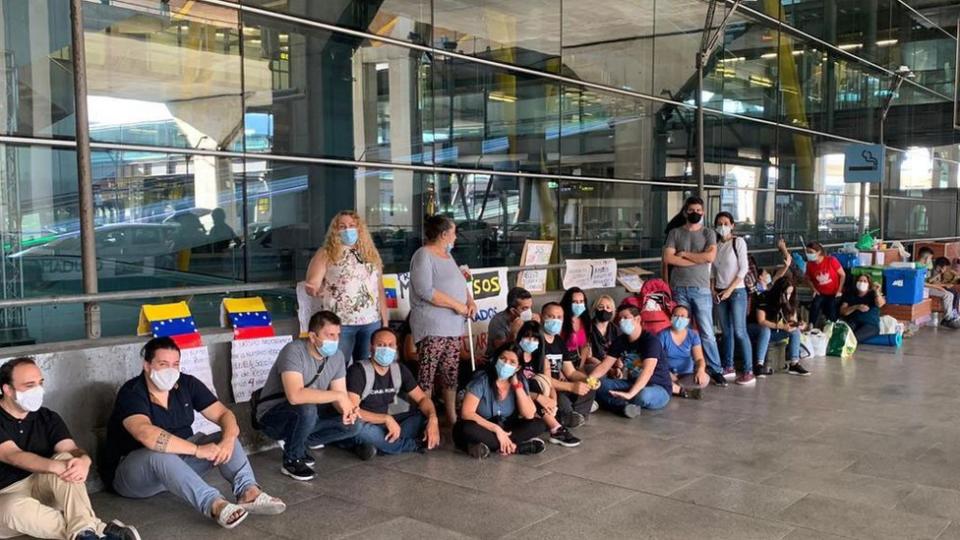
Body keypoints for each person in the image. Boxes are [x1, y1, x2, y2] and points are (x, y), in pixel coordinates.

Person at [103, 338, 285, 530]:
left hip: (179, 466)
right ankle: (215, 504)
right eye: (163, 364)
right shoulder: (132, 392)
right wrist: (197, 450)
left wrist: (228, 439)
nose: (170, 370)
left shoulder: (187, 384)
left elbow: (224, 414)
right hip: (133, 475)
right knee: (157, 455)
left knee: (223, 437)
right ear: (147, 365)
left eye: (175, 364)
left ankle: (248, 492)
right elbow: (146, 434)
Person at [0, 358, 140, 540]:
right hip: (6, 496)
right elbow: (12, 455)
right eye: (29, 385)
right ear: (7, 389)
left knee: (67, 460)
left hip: (44, 490)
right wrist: (54, 467)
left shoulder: (47, 417)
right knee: (11, 509)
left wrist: (83, 460)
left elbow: (72, 450)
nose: (38, 390)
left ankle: (84, 534)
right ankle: (98, 530)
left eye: (40, 383)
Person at [255, 310, 362, 481]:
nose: (335, 340)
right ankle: (292, 459)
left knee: (354, 425)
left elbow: (339, 394)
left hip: (308, 414)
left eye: (337, 335)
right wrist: (339, 396)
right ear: (313, 336)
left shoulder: (337, 356)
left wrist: (347, 410)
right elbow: (295, 396)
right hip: (273, 416)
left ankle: (298, 442)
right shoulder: (293, 351)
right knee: (307, 407)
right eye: (329, 335)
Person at [409, 215, 476, 426]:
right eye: (454, 232)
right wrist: (457, 306)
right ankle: (426, 419)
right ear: (444, 234)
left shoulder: (448, 256)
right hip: (433, 326)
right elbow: (426, 290)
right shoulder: (423, 255)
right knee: (427, 374)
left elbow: (460, 283)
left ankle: (452, 417)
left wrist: (470, 301)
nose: (456, 236)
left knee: (450, 374)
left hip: (454, 327)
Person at [304, 211, 388, 364]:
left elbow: (379, 288)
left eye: (351, 225)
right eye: (342, 226)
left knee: (365, 367)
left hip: (371, 321)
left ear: (359, 228)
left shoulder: (370, 253)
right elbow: (312, 283)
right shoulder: (326, 253)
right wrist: (315, 288)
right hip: (340, 323)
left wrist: (385, 321)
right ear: (335, 231)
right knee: (337, 365)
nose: (348, 230)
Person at [343, 328, 441, 457]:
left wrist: (433, 419)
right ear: (371, 347)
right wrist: (386, 418)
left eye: (390, 345)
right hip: (366, 422)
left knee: (423, 416)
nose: (386, 349)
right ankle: (412, 445)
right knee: (360, 430)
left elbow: (422, 399)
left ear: (396, 348)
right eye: (381, 345)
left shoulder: (399, 369)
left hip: (386, 424)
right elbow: (353, 411)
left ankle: (374, 446)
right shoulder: (358, 371)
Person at [662, 196, 725, 387]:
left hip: (701, 288)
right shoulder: (675, 232)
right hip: (679, 287)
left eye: (699, 210)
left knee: (706, 331)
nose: (695, 213)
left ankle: (716, 369)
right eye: (692, 210)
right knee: (681, 329)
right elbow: (668, 258)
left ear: (703, 213)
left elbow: (710, 256)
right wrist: (697, 259)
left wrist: (685, 254)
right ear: (685, 212)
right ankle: (685, 367)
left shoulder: (709, 233)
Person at [453, 345, 547, 459]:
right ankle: (515, 447)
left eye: (512, 362)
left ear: (518, 368)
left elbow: (529, 414)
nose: (506, 364)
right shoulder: (482, 379)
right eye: (503, 359)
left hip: (506, 427)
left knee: (539, 425)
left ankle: (496, 446)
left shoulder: (520, 381)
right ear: (495, 360)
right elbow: (466, 413)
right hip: (483, 426)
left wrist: (517, 386)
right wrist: (496, 430)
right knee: (465, 429)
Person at [595, 305, 673, 417]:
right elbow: (605, 365)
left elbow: (648, 371)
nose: (622, 321)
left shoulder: (651, 341)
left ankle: (619, 402)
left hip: (657, 387)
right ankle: (624, 406)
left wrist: (630, 394)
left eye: (625, 317)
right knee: (599, 385)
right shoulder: (620, 341)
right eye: (620, 319)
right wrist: (588, 381)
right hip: (632, 383)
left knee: (643, 395)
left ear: (637, 319)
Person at [514, 322, 581, 447]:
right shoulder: (513, 355)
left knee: (542, 383)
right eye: (527, 337)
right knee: (534, 383)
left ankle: (552, 423)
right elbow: (513, 386)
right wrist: (540, 398)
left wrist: (552, 403)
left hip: (537, 399)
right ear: (520, 337)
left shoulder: (541, 359)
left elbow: (549, 383)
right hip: (519, 396)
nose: (530, 341)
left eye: (535, 338)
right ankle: (556, 428)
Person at [713, 212, 755, 385]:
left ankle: (748, 370)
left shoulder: (738, 242)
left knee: (739, 331)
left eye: (726, 223)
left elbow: (743, 269)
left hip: (737, 291)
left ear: (732, 225)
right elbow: (712, 271)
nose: (722, 226)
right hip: (719, 291)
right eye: (719, 223)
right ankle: (728, 366)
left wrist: (730, 290)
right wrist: (713, 290)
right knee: (726, 331)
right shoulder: (715, 245)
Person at [540, 302, 595, 428]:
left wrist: (587, 380)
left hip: (562, 385)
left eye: (559, 317)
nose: (555, 320)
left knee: (588, 389)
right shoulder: (537, 341)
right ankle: (567, 416)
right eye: (551, 316)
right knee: (561, 400)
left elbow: (570, 372)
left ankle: (575, 415)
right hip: (549, 388)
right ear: (542, 317)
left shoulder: (559, 341)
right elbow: (542, 378)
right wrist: (571, 386)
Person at [749, 276, 811, 376]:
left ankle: (794, 363)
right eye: (786, 293)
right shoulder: (764, 298)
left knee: (795, 332)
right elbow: (761, 321)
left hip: (773, 331)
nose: (788, 296)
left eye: (790, 293)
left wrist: (799, 324)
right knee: (765, 330)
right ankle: (759, 365)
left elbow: (792, 320)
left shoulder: (789, 302)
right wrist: (780, 326)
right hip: (756, 329)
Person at [658, 306, 708, 399]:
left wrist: (701, 370)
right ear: (671, 318)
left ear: (688, 320)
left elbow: (699, 358)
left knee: (705, 379)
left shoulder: (693, 335)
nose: (679, 318)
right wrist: (670, 375)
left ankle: (673, 388)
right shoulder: (662, 335)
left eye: (682, 316)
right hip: (667, 373)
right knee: (654, 375)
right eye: (675, 315)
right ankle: (681, 390)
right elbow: (657, 359)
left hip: (686, 375)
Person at [484, 287, 539, 360]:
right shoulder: (497, 321)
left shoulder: (528, 319)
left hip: (520, 360)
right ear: (513, 311)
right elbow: (500, 350)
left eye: (530, 307)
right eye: (525, 308)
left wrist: (537, 327)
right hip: (499, 361)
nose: (529, 311)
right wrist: (513, 334)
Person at [804, 241, 845, 328]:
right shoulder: (810, 264)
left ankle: (833, 326)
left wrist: (839, 290)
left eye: (811, 252)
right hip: (820, 292)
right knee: (815, 305)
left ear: (818, 252)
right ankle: (811, 325)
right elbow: (807, 279)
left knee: (831, 307)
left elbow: (842, 275)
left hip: (834, 292)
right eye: (807, 252)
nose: (808, 254)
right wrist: (813, 289)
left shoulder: (831, 260)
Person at [840, 274, 887, 342]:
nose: (862, 283)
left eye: (865, 281)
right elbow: (843, 311)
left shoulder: (873, 294)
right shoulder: (850, 295)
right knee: (842, 335)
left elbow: (880, 304)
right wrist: (856, 307)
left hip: (870, 325)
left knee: (853, 339)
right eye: (860, 280)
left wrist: (877, 291)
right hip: (854, 323)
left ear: (869, 284)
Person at [923, 252, 960, 328]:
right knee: (949, 295)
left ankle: (954, 314)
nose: (946, 269)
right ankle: (948, 318)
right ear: (940, 266)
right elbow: (930, 283)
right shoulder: (930, 270)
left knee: (955, 293)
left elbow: (937, 283)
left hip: (934, 287)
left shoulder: (938, 272)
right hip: (927, 288)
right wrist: (944, 285)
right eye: (945, 267)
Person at [585, 295, 619, 372]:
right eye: (601, 307)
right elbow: (588, 357)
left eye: (608, 307)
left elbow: (620, 353)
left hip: (613, 365)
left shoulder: (616, 330)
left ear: (613, 311)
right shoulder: (588, 329)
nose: (605, 310)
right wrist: (608, 369)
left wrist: (618, 367)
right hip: (595, 365)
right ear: (595, 309)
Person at [560, 287, 592, 367]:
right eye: (575, 302)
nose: (579, 305)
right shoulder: (560, 320)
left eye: (581, 301)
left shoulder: (585, 320)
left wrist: (580, 367)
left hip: (579, 362)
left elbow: (585, 346)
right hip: (562, 363)